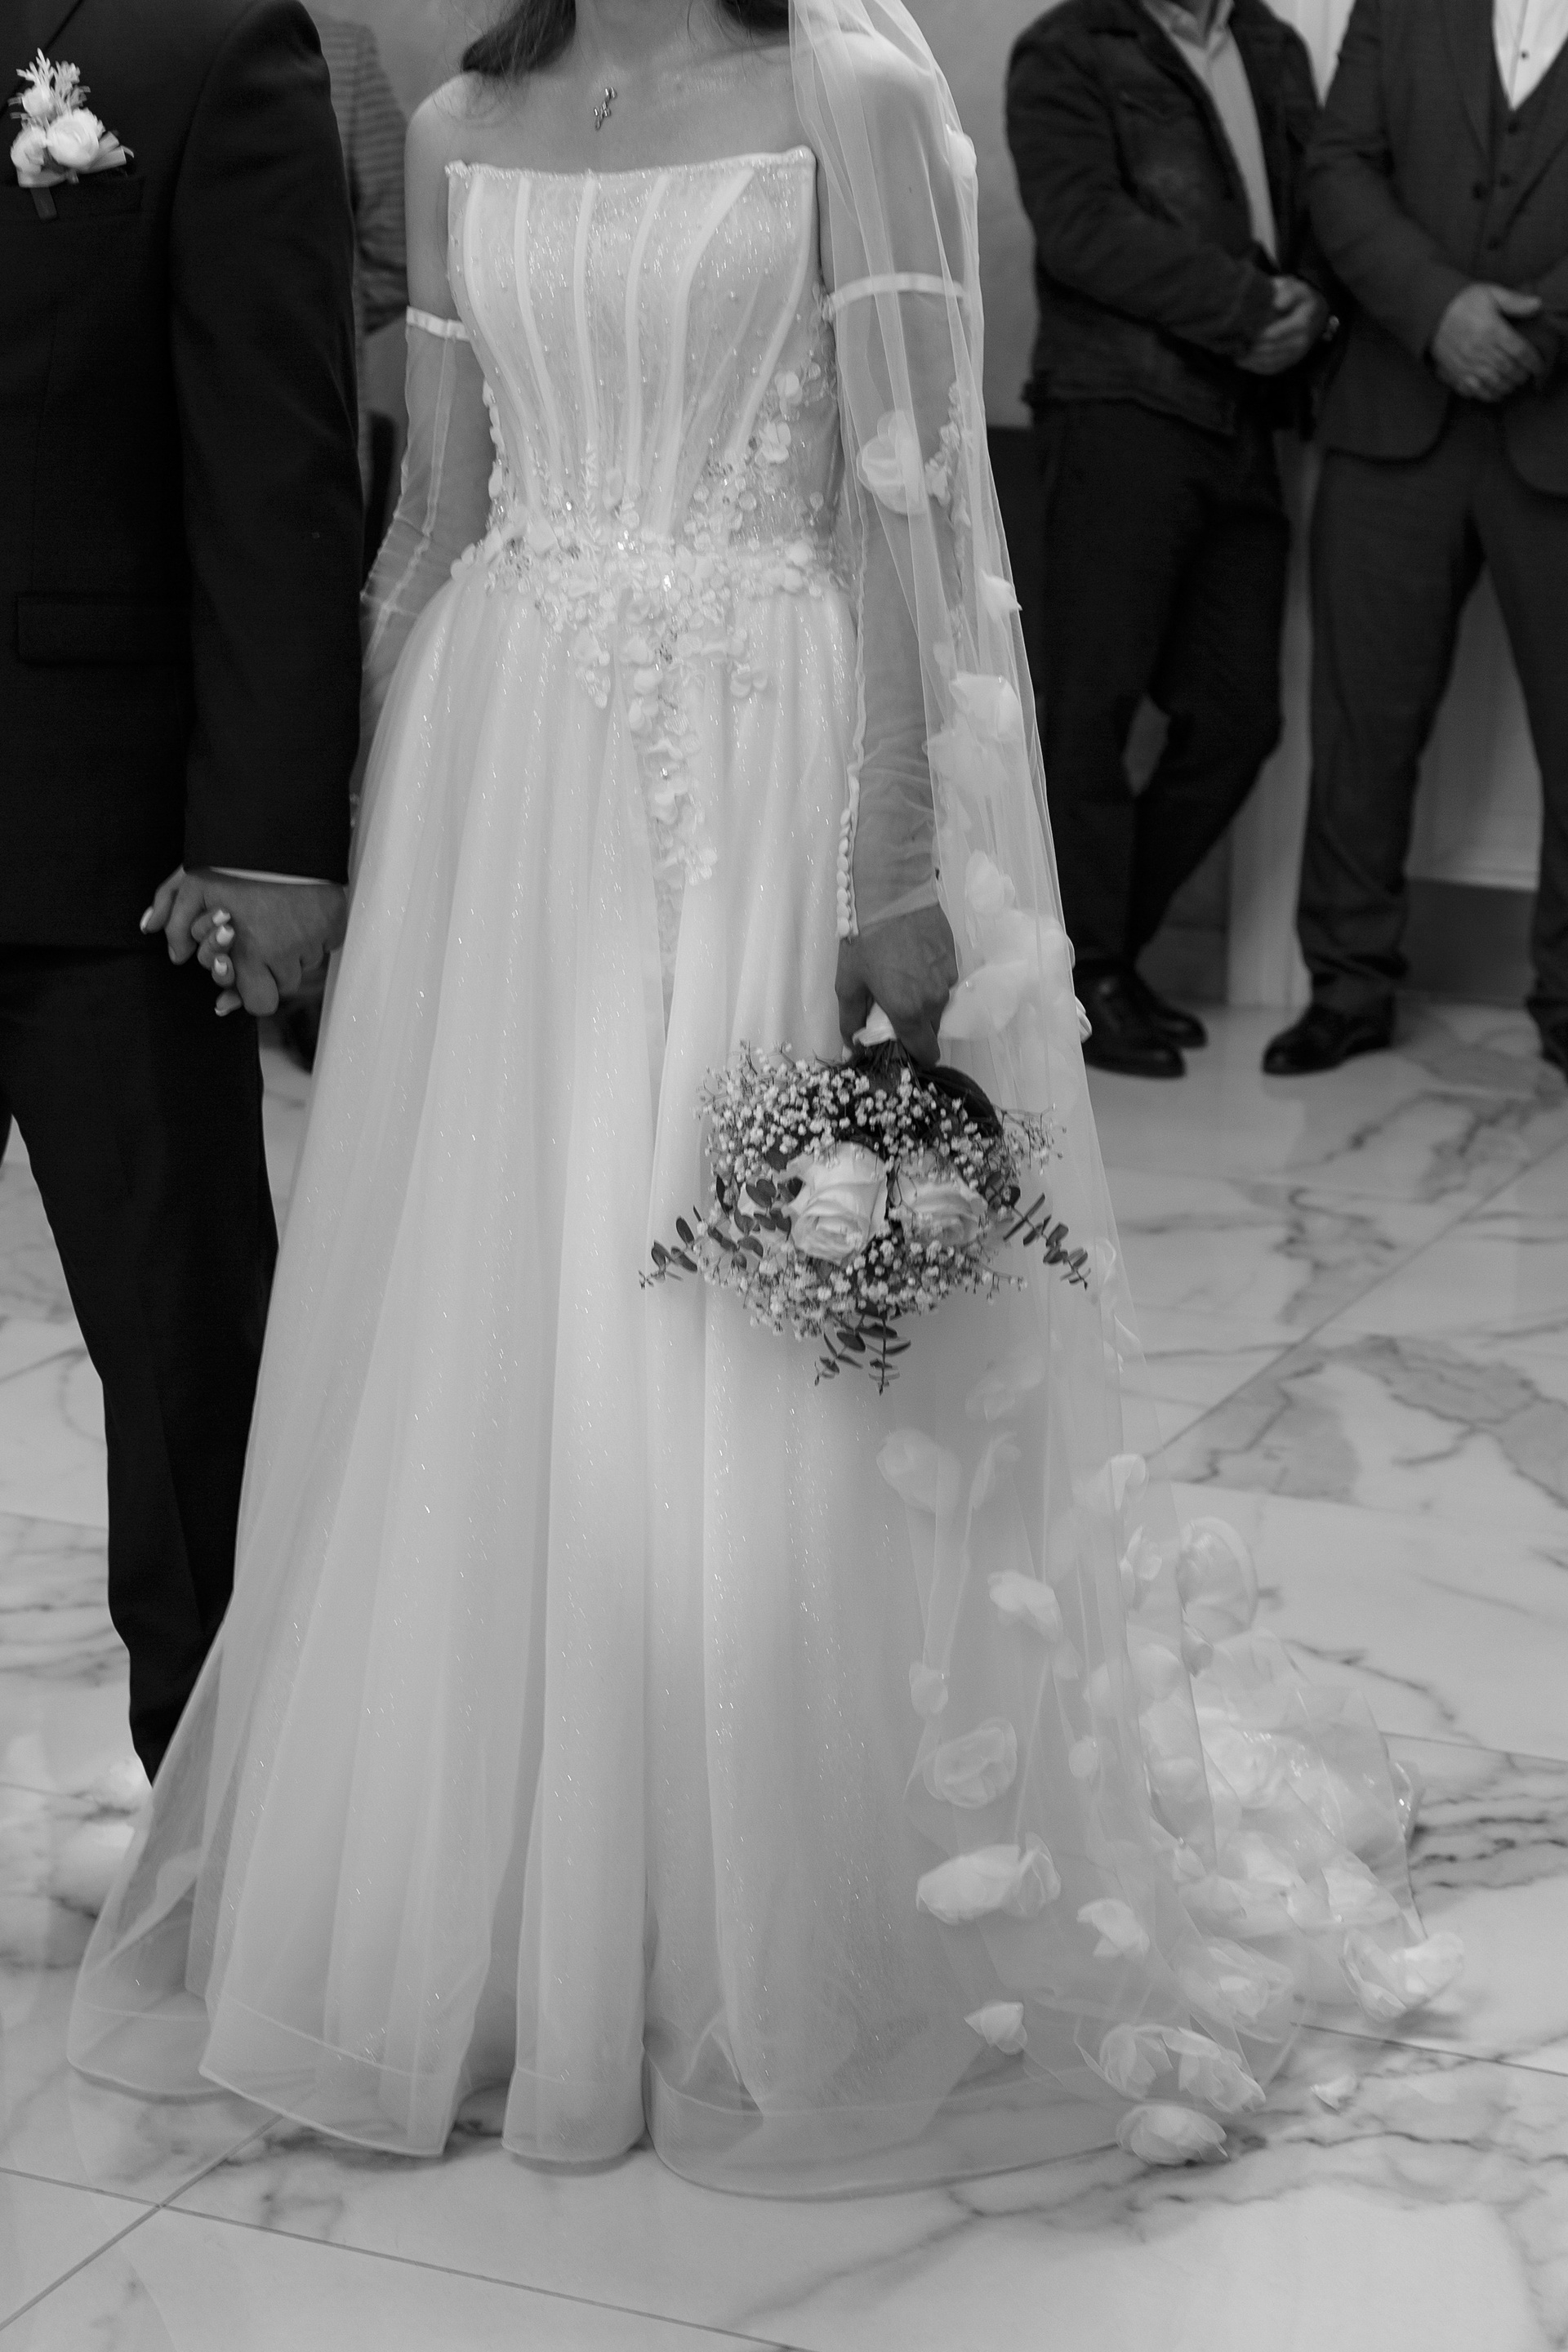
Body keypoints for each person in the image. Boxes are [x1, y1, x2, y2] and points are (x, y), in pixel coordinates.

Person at [74, 0, 1458, 2189]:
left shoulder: (856, 91)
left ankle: (752, 1916)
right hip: (495, 764)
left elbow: (909, 505)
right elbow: (433, 510)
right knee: (495, 1323)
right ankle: (480, 1912)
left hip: (762, 751)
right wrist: (324, 827)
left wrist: (891, 861)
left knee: (739, 1331)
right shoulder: (462, 117)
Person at [1, 0, 361, 1780]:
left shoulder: (209, 48)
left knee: (182, 1361)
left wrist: (271, 841)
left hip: (99, 840)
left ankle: (228, 1818)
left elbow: (276, 468)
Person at [1007, 0, 1330, 1078]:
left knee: (1238, 720)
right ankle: (1089, 974)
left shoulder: (1273, 45)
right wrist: (1248, 306)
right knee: (1089, 713)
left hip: (1248, 422)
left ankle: (1084, 965)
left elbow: (1318, 207)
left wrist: (1314, 311)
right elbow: (1082, 231)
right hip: (1118, 410)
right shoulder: (1068, 47)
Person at [1265, 0, 1568, 1077]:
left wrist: (1537, 330)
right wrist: (1439, 310)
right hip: (1394, 411)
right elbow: (1340, 165)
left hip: (1561, 423)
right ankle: (1347, 986)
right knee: (1362, 725)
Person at [274, 10, 411, 1074]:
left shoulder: (346, 54)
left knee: (306, 696)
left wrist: (282, 328)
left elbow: (400, 254)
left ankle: (311, 977)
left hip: (308, 442)